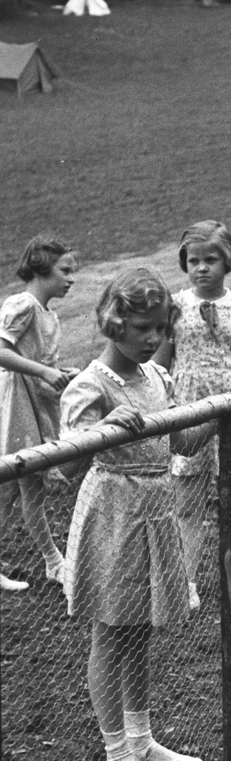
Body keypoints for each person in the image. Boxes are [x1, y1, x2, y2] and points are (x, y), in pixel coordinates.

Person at [60, 267, 217, 761]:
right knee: (111, 634)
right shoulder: (91, 384)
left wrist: (226, 411)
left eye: (160, 328)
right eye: (144, 328)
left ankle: (143, 740)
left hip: (156, 511)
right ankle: (116, 758)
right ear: (114, 322)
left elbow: (183, 444)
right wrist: (102, 429)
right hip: (114, 518)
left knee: (140, 634)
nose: (153, 339)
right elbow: (63, 462)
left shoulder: (157, 378)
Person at [154, 220, 231, 610]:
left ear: (228, 261)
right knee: (186, 503)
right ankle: (186, 580)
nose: (202, 268)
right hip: (190, 416)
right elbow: (159, 367)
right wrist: (163, 412)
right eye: (193, 261)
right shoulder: (172, 308)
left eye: (211, 260)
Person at [0, 235, 80, 591]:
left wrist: (60, 375)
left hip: (38, 400)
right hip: (16, 402)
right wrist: (43, 372)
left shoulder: (49, 314)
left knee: (23, 487)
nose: (71, 278)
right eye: (65, 270)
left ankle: (53, 562)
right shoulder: (23, 304)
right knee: (21, 482)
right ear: (41, 267)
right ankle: (54, 561)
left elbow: (45, 362)